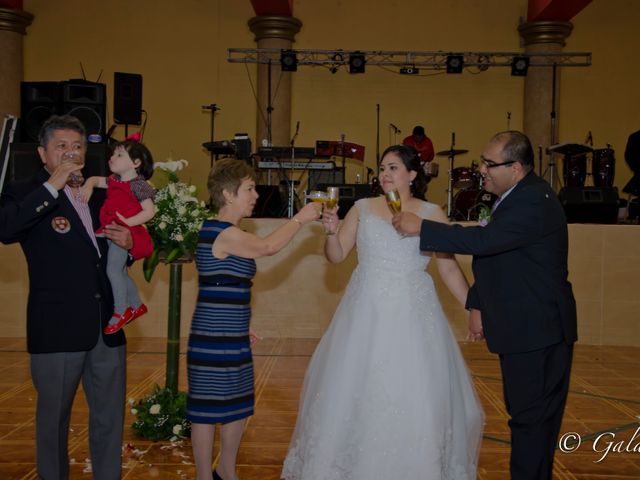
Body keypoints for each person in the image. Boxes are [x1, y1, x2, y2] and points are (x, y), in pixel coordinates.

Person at [282, 145, 484, 479]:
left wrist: (473, 307)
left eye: (393, 167)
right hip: (364, 313)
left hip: (413, 315)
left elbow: (448, 269)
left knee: (415, 390)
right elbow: (336, 256)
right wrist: (331, 232)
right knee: (354, 388)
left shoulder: (431, 212)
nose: (385, 174)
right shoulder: (362, 207)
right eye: (382, 168)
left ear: (412, 175)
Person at [393, 131, 577, 480]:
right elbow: (499, 259)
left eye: (490, 164)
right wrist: (477, 303)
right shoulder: (514, 197)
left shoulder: (533, 202)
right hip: (526, 327)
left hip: (537, 330)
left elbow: (487, 240)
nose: (482, 170)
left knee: (531, 423)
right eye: (483, 161)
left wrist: (422, 227)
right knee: (527, 420)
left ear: (517, 167)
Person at [0, 114, 135, 480]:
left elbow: (121, 246)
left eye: (77, 147)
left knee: (109, 419)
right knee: (53, 423)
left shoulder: (100, 193)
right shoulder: (24, 191)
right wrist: (51, 188)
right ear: (43, 153)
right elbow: (8, 229)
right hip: (57, 327)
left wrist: (131, 243)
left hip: (107, 324)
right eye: (61, 147)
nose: (70, 153)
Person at [187, 158, 322, 480]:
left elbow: (225, 282)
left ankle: (227, 472)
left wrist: (241, 322)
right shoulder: (220, 231)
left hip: (229, 331)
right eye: (249, 189)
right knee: (205, 412)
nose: (255, 195)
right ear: (228, 194)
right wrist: (301, 218)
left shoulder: (231, 232)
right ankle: (205, 476)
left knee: (237, 404)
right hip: (212, 335)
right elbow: (267, 247)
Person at [81, 137, 156, 334]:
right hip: (113, 229)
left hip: (124, 232)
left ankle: (121, 311)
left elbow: (150, 211)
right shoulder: (114, 180)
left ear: (136, 163)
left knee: (113, 271)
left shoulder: (138, 185)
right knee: (120, 271)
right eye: (113, 154)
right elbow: (97, 180)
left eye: (120, 155)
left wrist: (128, 223)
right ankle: (137, 304)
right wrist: (89, 184)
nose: (112, 158)